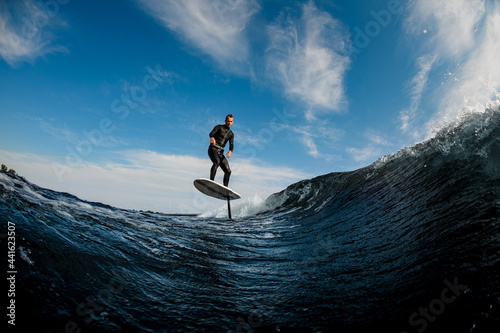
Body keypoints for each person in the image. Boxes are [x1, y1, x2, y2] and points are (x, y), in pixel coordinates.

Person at [208, 114, 234, 187]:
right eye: (228, 121)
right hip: (213, 149)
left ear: (233, 122)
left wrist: (230, 151)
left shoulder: (231, 134)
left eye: (231, 121)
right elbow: (211, 133)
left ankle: (225, 189)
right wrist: (212, 138)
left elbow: (231, 144)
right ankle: (211, 182)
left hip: (220, 153)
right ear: (225, 121)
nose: (229, 123)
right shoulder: (219, 127)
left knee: (228, 171)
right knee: (217, 162)